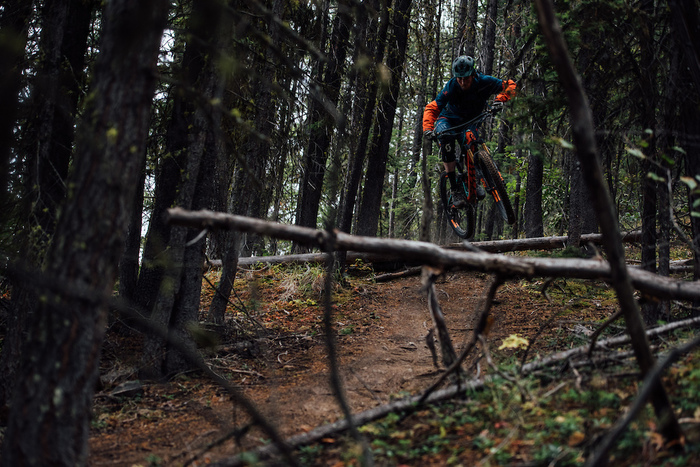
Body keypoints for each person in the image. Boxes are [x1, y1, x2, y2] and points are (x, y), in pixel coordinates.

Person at [422, 55, 516, 207]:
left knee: (470, 139)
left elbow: (510, 86)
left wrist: (500, 99)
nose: (463, 82)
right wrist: (427, 128)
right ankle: (454, 188)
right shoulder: (451, 86)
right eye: (459, 78)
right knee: (446, 139)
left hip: (470, 122)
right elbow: (432, 107)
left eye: (466, 78)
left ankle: (475, 180)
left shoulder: (484, 82)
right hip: (448, 120)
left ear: (473, 74)